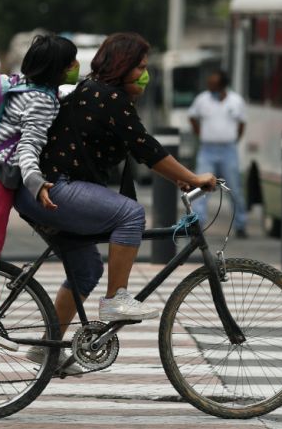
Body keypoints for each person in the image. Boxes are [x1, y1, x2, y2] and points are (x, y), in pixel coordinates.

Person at [14, 32, 216, 371]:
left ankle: (45, 351)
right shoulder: (107, 96)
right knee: (131, 215)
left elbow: (142, 150)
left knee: (87, 269)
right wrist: (194, 178)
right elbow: (146, 148)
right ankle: (115, 301)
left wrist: (180, 176)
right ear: (121, 66)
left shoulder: (100, 93)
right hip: (52, 188)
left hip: (41, 192)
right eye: (139, 67)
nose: (145, 74)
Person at [0, 35, 80, 351]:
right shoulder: (42, 100)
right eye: (72, 61)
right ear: (60, 68)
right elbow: (29, 145)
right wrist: (36, 182)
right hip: (1, 172)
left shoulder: (23, 87)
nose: (75, 66)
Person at [188, 70, 249, 237]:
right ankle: (198, 224)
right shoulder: (202, 99)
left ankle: (241, 224)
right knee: (201, 187)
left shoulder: (236, 101)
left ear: (222, 84)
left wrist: (234, 139)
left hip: (228, 149)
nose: (210, 87)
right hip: (207, 149)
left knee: (235, 188)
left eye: (213, 84)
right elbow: (192, 117)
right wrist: (200, 133)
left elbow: (242, 123)